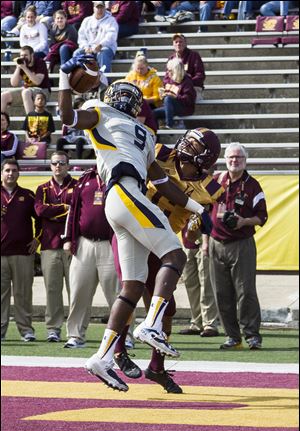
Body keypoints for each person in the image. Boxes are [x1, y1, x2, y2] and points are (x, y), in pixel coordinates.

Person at [59, 67, 212, 391]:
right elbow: (67, 116)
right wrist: (63, 79)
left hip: (123, 201)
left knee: (132, 285)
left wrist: (199, 209)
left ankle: (101, 357)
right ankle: (151, 325)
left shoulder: (142, 133)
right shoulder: (102, 112)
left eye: (130, 95)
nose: (126, 99)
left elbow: (163, 182)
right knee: (174, 254)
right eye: (124, 95)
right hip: (125, 193)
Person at [127, 128, 223, 393]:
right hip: (135, 232)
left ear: (204, 157)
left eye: (193, 144)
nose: (185, 145)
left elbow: (192, 228)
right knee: (130, 293)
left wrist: (195, 226)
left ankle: (156, 366)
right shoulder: (160, 153)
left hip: (162, 244)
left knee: (166, 309)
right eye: (188, 140)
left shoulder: (210, 188)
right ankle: (118, 351)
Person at [208, 143, 268, 350]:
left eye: (239, 158)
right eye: (231, 158)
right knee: (221, 293)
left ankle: (252, 335)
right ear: (225, 160)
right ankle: (232, 336)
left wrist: (243, 221)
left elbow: (262, 217)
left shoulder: (253, 185)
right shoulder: (215, 181)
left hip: (241, 243)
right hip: (216, 243)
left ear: (245, 161)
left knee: (245, 291)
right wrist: (205, 242)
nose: (235, 161)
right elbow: (205, 210)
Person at [63, 168, 121, 348]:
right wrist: (68, 239)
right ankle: (75, 335)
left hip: (111, 244)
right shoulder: (85, 179)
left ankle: (123, 337)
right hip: (84, 243)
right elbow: (73, 210)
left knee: (117, 294)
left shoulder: (120, 177)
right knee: (79, 291)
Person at [34, 151, 77, 342]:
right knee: (52, 289)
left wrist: (54, 212)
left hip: (73, 245)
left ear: (68, 165)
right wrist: (65, 209)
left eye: (61, 163)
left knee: (75, 290)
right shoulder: (42, 188)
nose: (58, 166)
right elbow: (40, 210)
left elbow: (76, 210)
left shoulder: (77, 186)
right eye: (54, 163)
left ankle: (75, 330)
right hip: (49, 245)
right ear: (50, 166)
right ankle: (53, 328)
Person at [1, 159, 41, 342]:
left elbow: (40, 220)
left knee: (23, 294)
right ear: (2, 173)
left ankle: (26, 330)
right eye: (7, 170)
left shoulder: (28, 195)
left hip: (23, 253)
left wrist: (37, 239)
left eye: (14, 170)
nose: (10, 173)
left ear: (19, 173)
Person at [179, 221, 219, 337]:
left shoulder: (208, 202)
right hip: (187, 243)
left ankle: (209, 324)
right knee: (190, 284)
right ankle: (197, 322)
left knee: (206, 284)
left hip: (204, 242)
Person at [1, 45, 51, 114]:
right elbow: (13, 83)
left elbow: (37, 82)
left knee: (25, 92)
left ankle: (31, 122)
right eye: (21, 55)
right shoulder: (22, 64)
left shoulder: (40, 62)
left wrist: (25, 68)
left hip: (42, 91)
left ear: (32, 55)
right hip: (27, 91)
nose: (23, 58)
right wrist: (18, 68)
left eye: (26, 55)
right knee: (3, 96)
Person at [74, 1, 119, 73]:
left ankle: (105, 80)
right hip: (89, 48)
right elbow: (81, 37)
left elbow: (111, 36)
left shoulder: (111, 20)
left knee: (102, 53)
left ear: (105, 8)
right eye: (97, 7)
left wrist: (101, 45)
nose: (99, 10)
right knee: (77, 53)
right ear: (93, 8)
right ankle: (78, 79)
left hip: (105, 48)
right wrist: (86, 47)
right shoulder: (87, 20)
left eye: (101, 7)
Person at [153, 57, 196, 129]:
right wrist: (163, 93)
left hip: (184, 107)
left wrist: (174, 96)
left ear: (176, 71)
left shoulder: (187, 81)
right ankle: (155, 135)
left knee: (168, 99)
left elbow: (189, 100)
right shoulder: (169, 79)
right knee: (152, 113)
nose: (168, 72)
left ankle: (169, 125)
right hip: (170, 107)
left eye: (170, 70)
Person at [166, 33, 206, 102]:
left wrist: (186, 83)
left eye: (181, 41)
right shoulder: (171, 58)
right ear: (173, 44)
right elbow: (166, 78)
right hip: (176, 88)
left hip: (193, 88)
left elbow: (200, 75)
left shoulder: (194, 55)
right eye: (176, 42)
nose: (178, 44)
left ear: (185, 43)